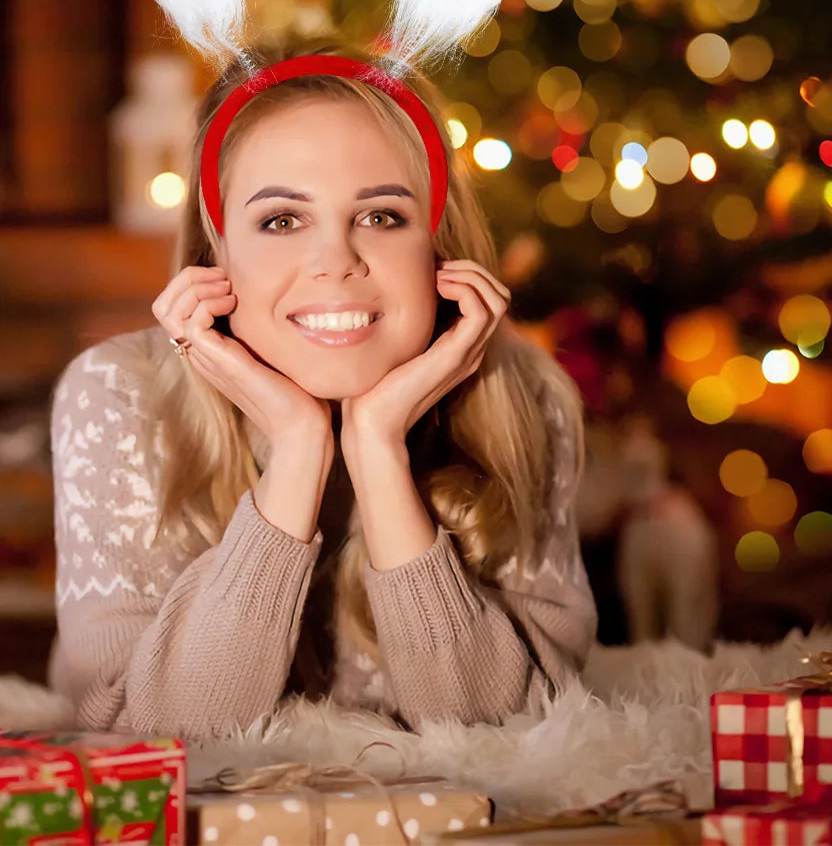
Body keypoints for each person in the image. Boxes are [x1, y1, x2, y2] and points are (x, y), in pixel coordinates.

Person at [48, 45, 598, 739]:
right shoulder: (117, 396)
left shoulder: (525, 398)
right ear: (214, 256)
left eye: (381, 217)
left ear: (439, 246)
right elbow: (150, 737)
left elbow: (519, 736)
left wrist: (378, 448)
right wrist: (299, 446)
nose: (336, 261)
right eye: (282, 220)